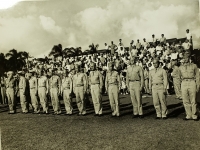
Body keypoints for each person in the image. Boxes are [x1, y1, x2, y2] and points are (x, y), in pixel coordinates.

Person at [178, 55, 199, 121]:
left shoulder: (194, 66)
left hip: (192, 81)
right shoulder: (180, 67)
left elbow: (197, 76)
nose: (185, 59)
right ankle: (188, 114)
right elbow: (178, 77)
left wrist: (197, 86)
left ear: (189, 58)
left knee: (193, 99)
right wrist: (179, 86)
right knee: (185, 99)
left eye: (186, 57)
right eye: (184, 58)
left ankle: (194, 115)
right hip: (184, 82)